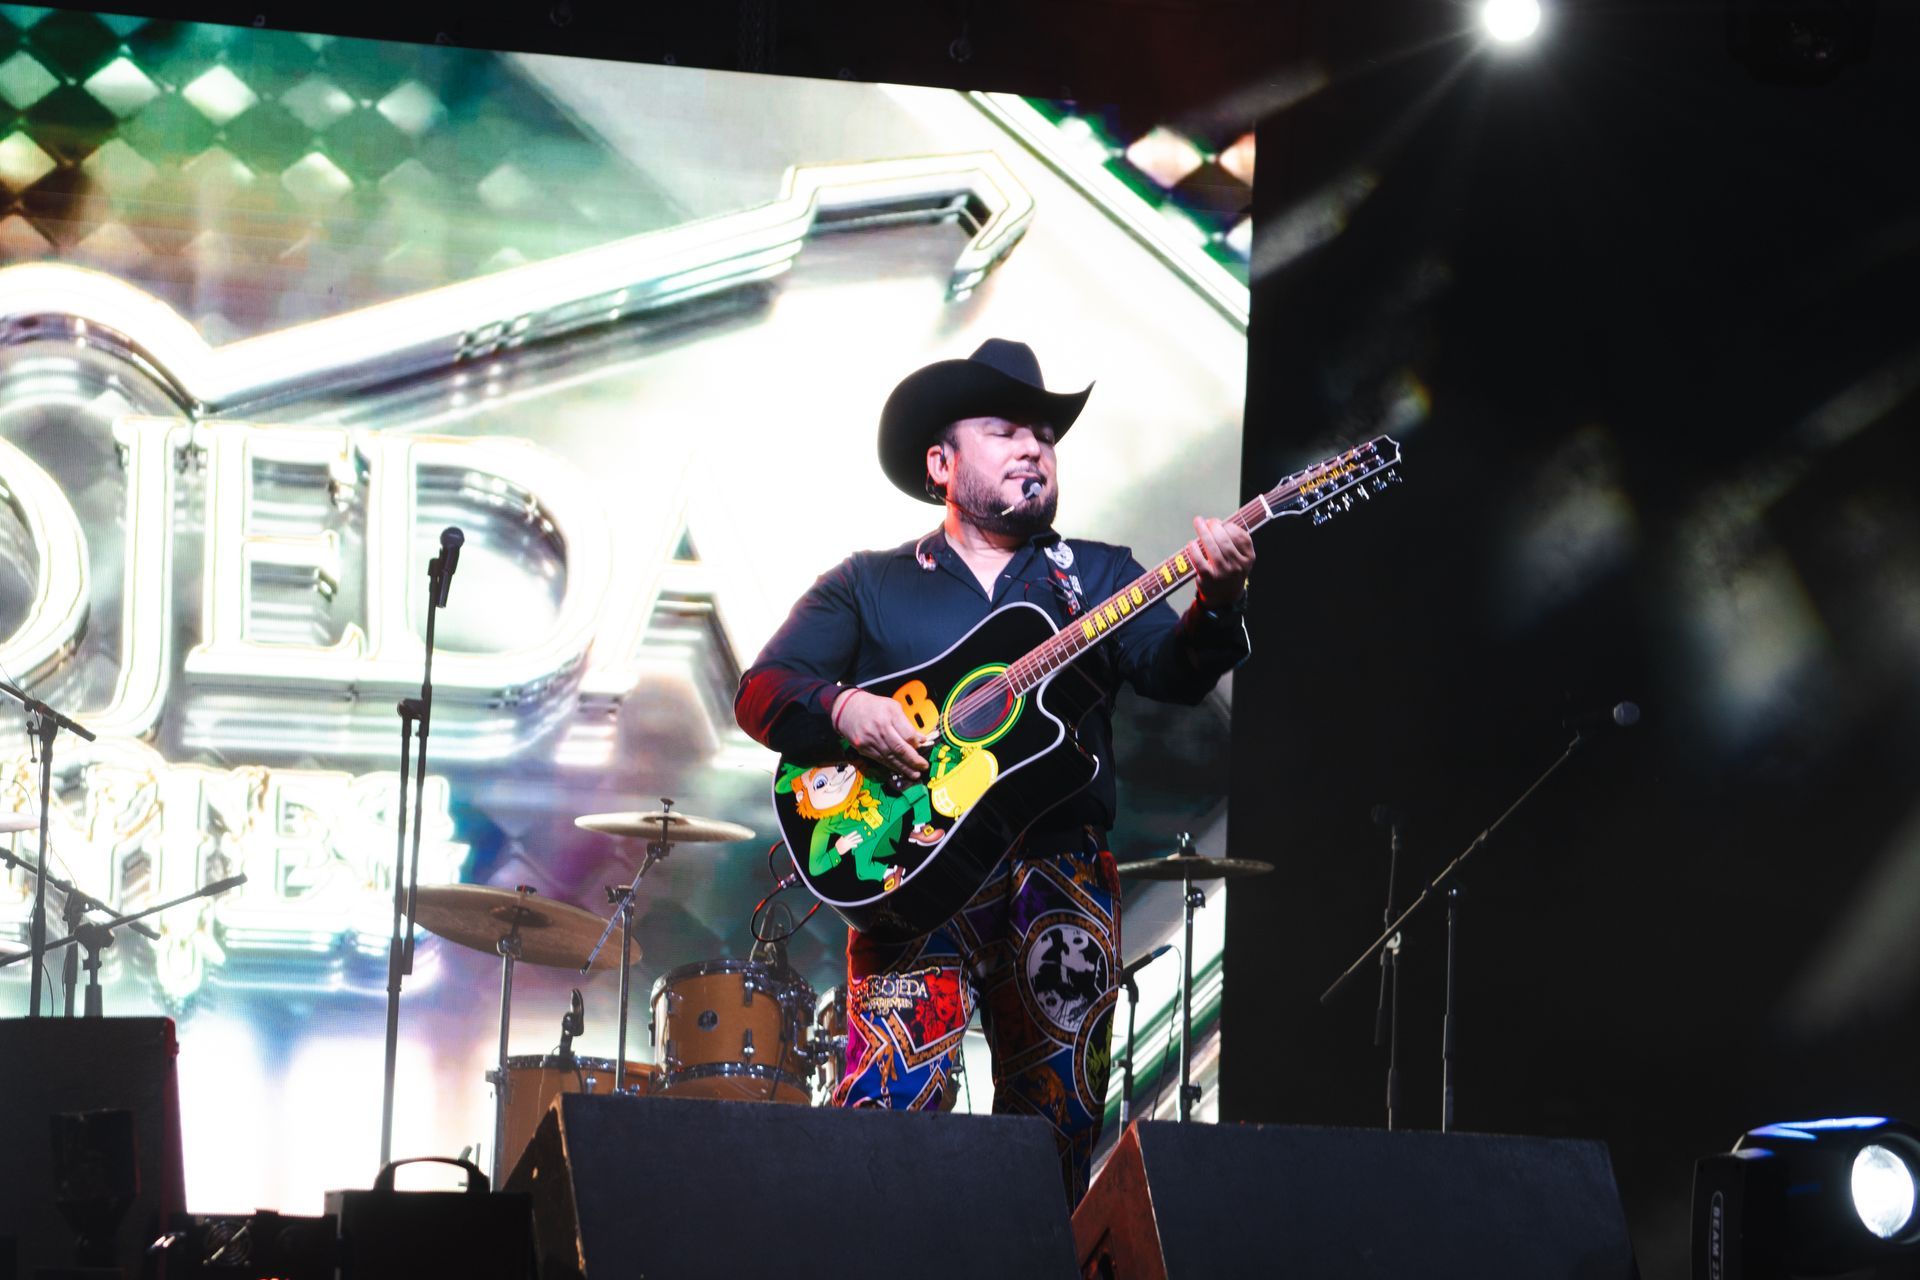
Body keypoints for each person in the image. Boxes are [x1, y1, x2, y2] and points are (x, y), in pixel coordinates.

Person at [733, 338, 1253, 1202]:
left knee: (1057, 1125)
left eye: (1044, 437)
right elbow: (763, 691)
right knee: (889, 1112)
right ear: (942, 463)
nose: (1033, 449)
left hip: (1058, 872)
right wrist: (845, 708)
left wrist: (1219, 601)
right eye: (1005, 431)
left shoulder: (1097, 575)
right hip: (909, 878)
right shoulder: (868, 584)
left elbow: (1174, 672)